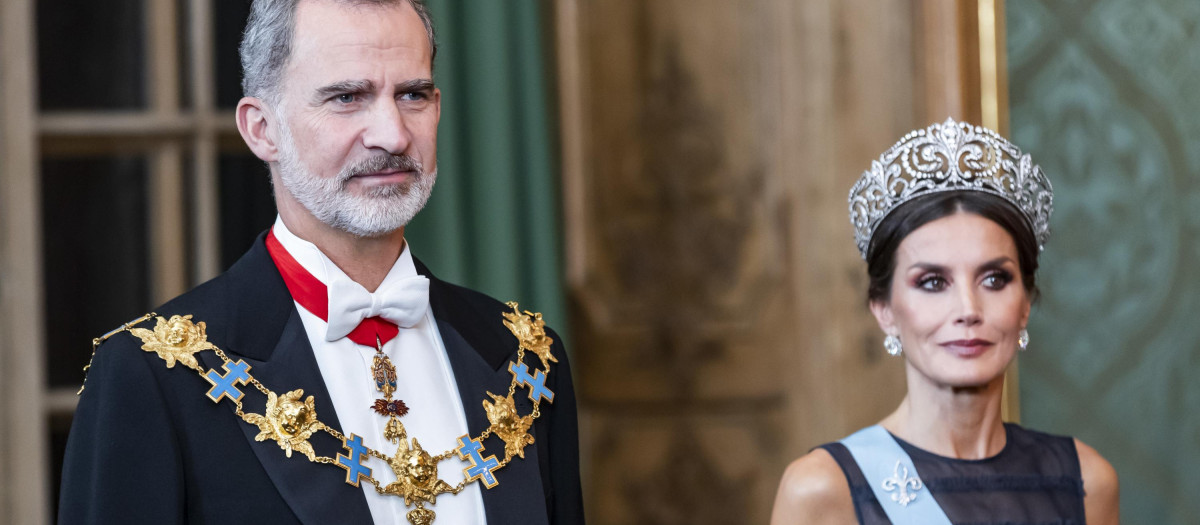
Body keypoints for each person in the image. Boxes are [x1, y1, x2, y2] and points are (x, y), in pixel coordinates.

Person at [57, 1, 583, 524]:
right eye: (347, 97)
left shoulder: (527, 360)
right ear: (261, 129)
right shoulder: (151, 377)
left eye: (412, 95)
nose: (393, 135)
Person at [770, 119, 1119, 525]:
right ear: (884, 310)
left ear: (1024, 304)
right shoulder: (823, 490)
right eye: (932, 282)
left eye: (994, 279)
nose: (968, 309)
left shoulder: (1085, 481)